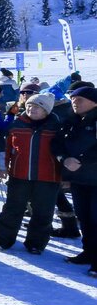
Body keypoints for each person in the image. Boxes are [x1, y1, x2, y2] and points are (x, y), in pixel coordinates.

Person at [0, 93, 62, 254]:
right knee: (13, 208)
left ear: (46, 110)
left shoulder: (56, 127)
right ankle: (3, 240)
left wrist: (67, 175)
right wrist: (1, 166)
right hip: (20, 175)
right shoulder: (17, 124)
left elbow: (64, 151)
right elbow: (5, 147)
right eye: (30, 105)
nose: (32, 109)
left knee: (43, 211)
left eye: (37, 107)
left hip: (48, 177)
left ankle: (35, 244)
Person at [52, 86, 97, 277]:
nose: (75, 102)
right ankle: (89, 252)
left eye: (80, 99)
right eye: (73, 99)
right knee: (84, 218)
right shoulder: (71, 120)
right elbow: (57, 143)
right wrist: (64, 158)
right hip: (79, 180)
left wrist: (80, 161)